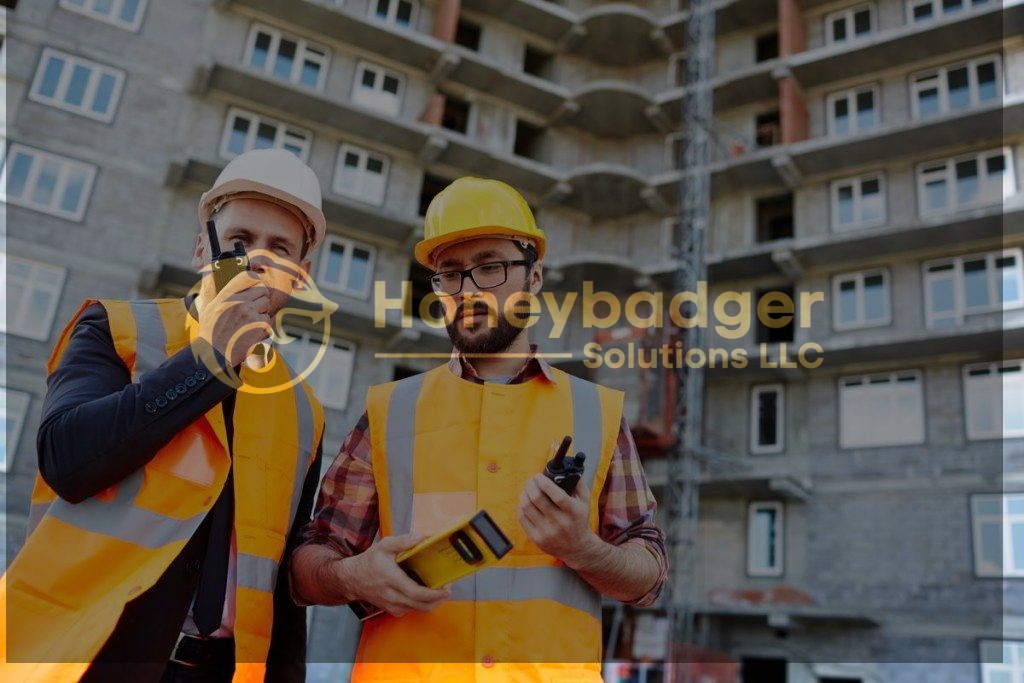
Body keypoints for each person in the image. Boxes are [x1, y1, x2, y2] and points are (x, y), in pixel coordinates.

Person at [291, 176, 667, 681]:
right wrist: (352, 575)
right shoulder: (390, 411)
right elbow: (305, 568)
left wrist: (582, 547)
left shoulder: (596, 413)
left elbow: (648, 578)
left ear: (534, 277)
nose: (468, 290)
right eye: (450, 274)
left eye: (490, 267)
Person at [1, 149, 332, 682]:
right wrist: (210, 362)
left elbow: (280, 591)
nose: (255, 261)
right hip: (87, 655)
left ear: (299, 275)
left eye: (279, 250)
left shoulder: (302, 409)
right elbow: (68, 461)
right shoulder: (116, 329)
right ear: (204, 246)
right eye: (240, 241)